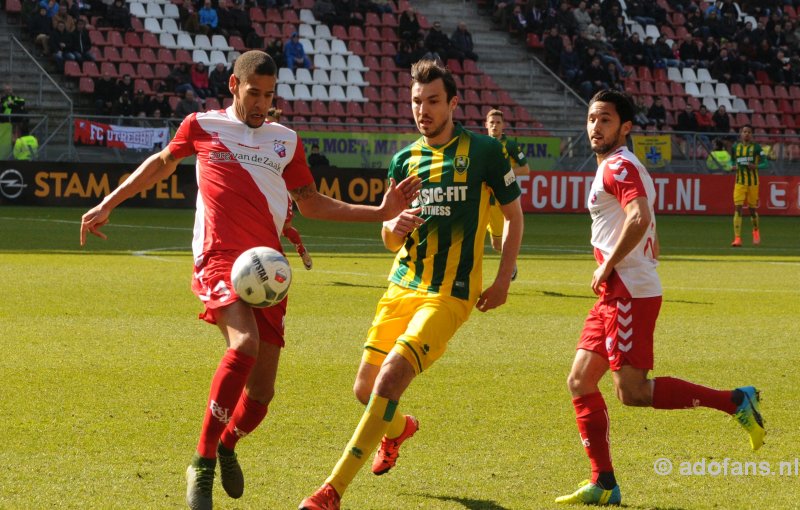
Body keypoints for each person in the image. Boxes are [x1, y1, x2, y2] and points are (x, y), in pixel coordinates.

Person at [79, 50, 421, 510]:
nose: (262, 103)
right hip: (218, 259)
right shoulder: (203, 126)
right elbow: (161, 163)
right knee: (242, 346)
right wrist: (108, 202)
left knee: (261, 394)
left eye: (269, 94)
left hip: (268, 269)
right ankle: (201, 464)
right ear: (234, 86)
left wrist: (380, 213)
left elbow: (312, 201)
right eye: (253, 92)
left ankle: (227, 445)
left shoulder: (285, 140)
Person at [299, 58, 524, 510]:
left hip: (449, 293)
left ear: (453, 103)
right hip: (401, 284)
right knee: (365, 390)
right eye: (418, 101)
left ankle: (331, 490)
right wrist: (392, 225)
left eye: (434, 101)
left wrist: (502, 281)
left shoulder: (484, 152)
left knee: (392, 375)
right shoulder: (404, 160)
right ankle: (400, 430)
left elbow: (514, 217)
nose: (424, 110)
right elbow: (386, 235)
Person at [555, 89, 765, 506]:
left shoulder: (618, 165)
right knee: (580, 381)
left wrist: (608, 264)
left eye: (606, 120)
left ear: (626, 128)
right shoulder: (616, 167)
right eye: (592, 118)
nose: (596, 127)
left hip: (628, 291)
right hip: (617, 293)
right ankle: (605, 483)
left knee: (631, 391)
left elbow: (639, 216)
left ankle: (734, 401)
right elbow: (648, 225)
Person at [484, 108, 529, 280]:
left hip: (499, 199)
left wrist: (505, 173)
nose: (495, 125)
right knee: (485, 239)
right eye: (492, 122)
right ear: (486, 125)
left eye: (498, 122)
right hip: (481, 197)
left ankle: (511, 264)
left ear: (503, 126)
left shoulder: (510, 145)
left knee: (497, 242)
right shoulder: (480, 144)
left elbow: (525, 169)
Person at [728, 124, 764, 247]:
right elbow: (732, 160)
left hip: (753, 183)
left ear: (751, 134)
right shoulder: (735, 147)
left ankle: (755, 231)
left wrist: (756, 166)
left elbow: (766, 163)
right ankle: (737, 238)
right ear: (741, 134)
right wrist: (732, 166)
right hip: (739, 182)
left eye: (749, 132)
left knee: (752, 210)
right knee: (738, 208)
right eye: (744, 131)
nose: (746, 134)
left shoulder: (757, 148)